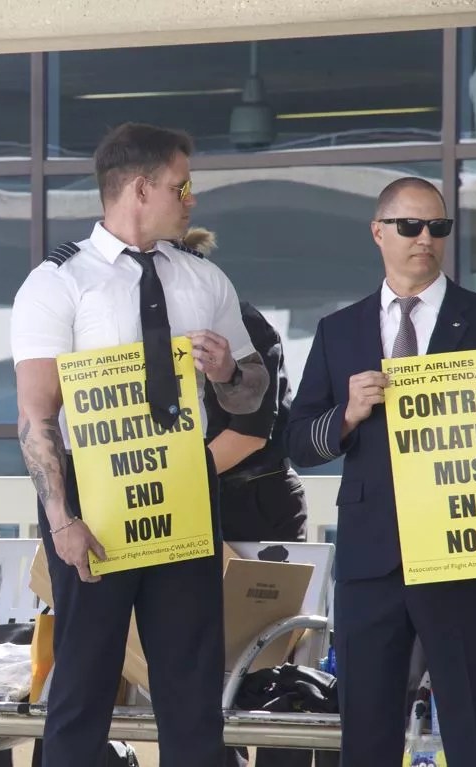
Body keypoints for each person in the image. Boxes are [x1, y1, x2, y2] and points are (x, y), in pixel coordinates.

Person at [11, 122, 269, 767]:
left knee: (191, 683)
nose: (191, 199)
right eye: (181, 187)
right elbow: (37, 417)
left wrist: (227, 373)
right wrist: (62, 520)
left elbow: (252, 396)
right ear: (140, 187)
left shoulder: (203, 279)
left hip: (182, 489)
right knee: (84, 681)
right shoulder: (58, 282)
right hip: (94, 498)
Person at [287, 177, 476, 767]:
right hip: (371, 557)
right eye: (410, 226)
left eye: (438, 227)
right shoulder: (340, 330)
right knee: (367, 732)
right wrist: (347, 414)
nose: (425, 239)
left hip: (460, 548)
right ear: (378, 232)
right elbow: (299, 443)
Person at [186, 228, 319, 767]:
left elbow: (249, 435)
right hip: (193, 502)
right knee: (202, 662)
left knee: (269, 660)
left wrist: (166, 482)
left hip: (255, 502)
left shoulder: (244, 327)